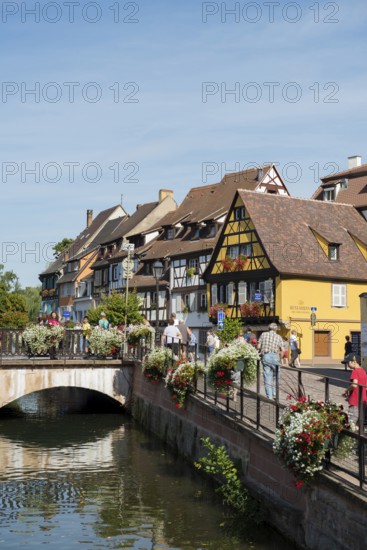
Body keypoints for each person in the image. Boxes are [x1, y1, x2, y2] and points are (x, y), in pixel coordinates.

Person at [257, 323, 283, 400]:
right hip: (275, 356)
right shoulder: (279, 337)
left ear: (268, 328)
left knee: (267, 376)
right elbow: (282, 350)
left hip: (266, 356)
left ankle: (270, 396)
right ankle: (275, 393)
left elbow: (258, 346)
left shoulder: (263, 334)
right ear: (276, 329)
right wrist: (280, 360)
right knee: (276, 376)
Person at [342, 354, 367, 425]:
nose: (347, 364)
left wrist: (346, 391)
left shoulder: (355, 371)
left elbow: (354, 384)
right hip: (363, 400)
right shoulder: (363, 371)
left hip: (355, 400)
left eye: (348, 362)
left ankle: (350, 435)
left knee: (351, 422)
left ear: (354, 362)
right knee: (359, 422)